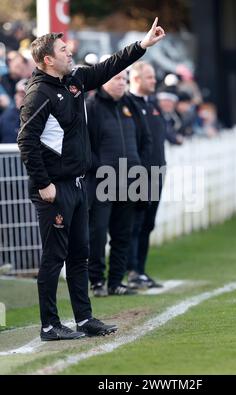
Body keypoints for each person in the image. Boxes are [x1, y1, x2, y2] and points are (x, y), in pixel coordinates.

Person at [17, 18, 165, 341]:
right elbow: (25, 142)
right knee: (54, 258)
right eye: (62, 49)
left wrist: (142, 45)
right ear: (47, 60)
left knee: (80, 255)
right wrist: (44, 184)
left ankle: (84, 320)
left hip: (78, 184)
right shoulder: (38, 93)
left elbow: (111, 65)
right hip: (54, 189)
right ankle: (49, 325)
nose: (69, 51)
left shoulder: (75, 81)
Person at [86, 69, 151, 297]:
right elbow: (85, 145)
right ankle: (96, 281)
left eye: (124, 79)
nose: (121, 83)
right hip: (102, 180)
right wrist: (99, 167)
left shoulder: (130, 106)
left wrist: (139, 167)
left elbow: (145, 139)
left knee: (123, 233)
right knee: (98, 233)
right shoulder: (91, 106)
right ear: (104, 80)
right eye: (116, 78)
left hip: (130, 179)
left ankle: (116, 282)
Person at [126, 61, 167, 289]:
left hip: (157, 173)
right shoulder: (128, 104)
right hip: (137, 174)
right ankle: (131, 270)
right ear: (138, 78)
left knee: (148, 223)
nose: (154, 81)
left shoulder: (153, 105)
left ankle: (140, 269)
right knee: (135, 223)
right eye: (150, 77)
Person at [0, 78, 27, 143]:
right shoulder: (5, 118)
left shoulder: (40, 116)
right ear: (15, 96)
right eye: (20, 95)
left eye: (26, 95)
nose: (23, 98)